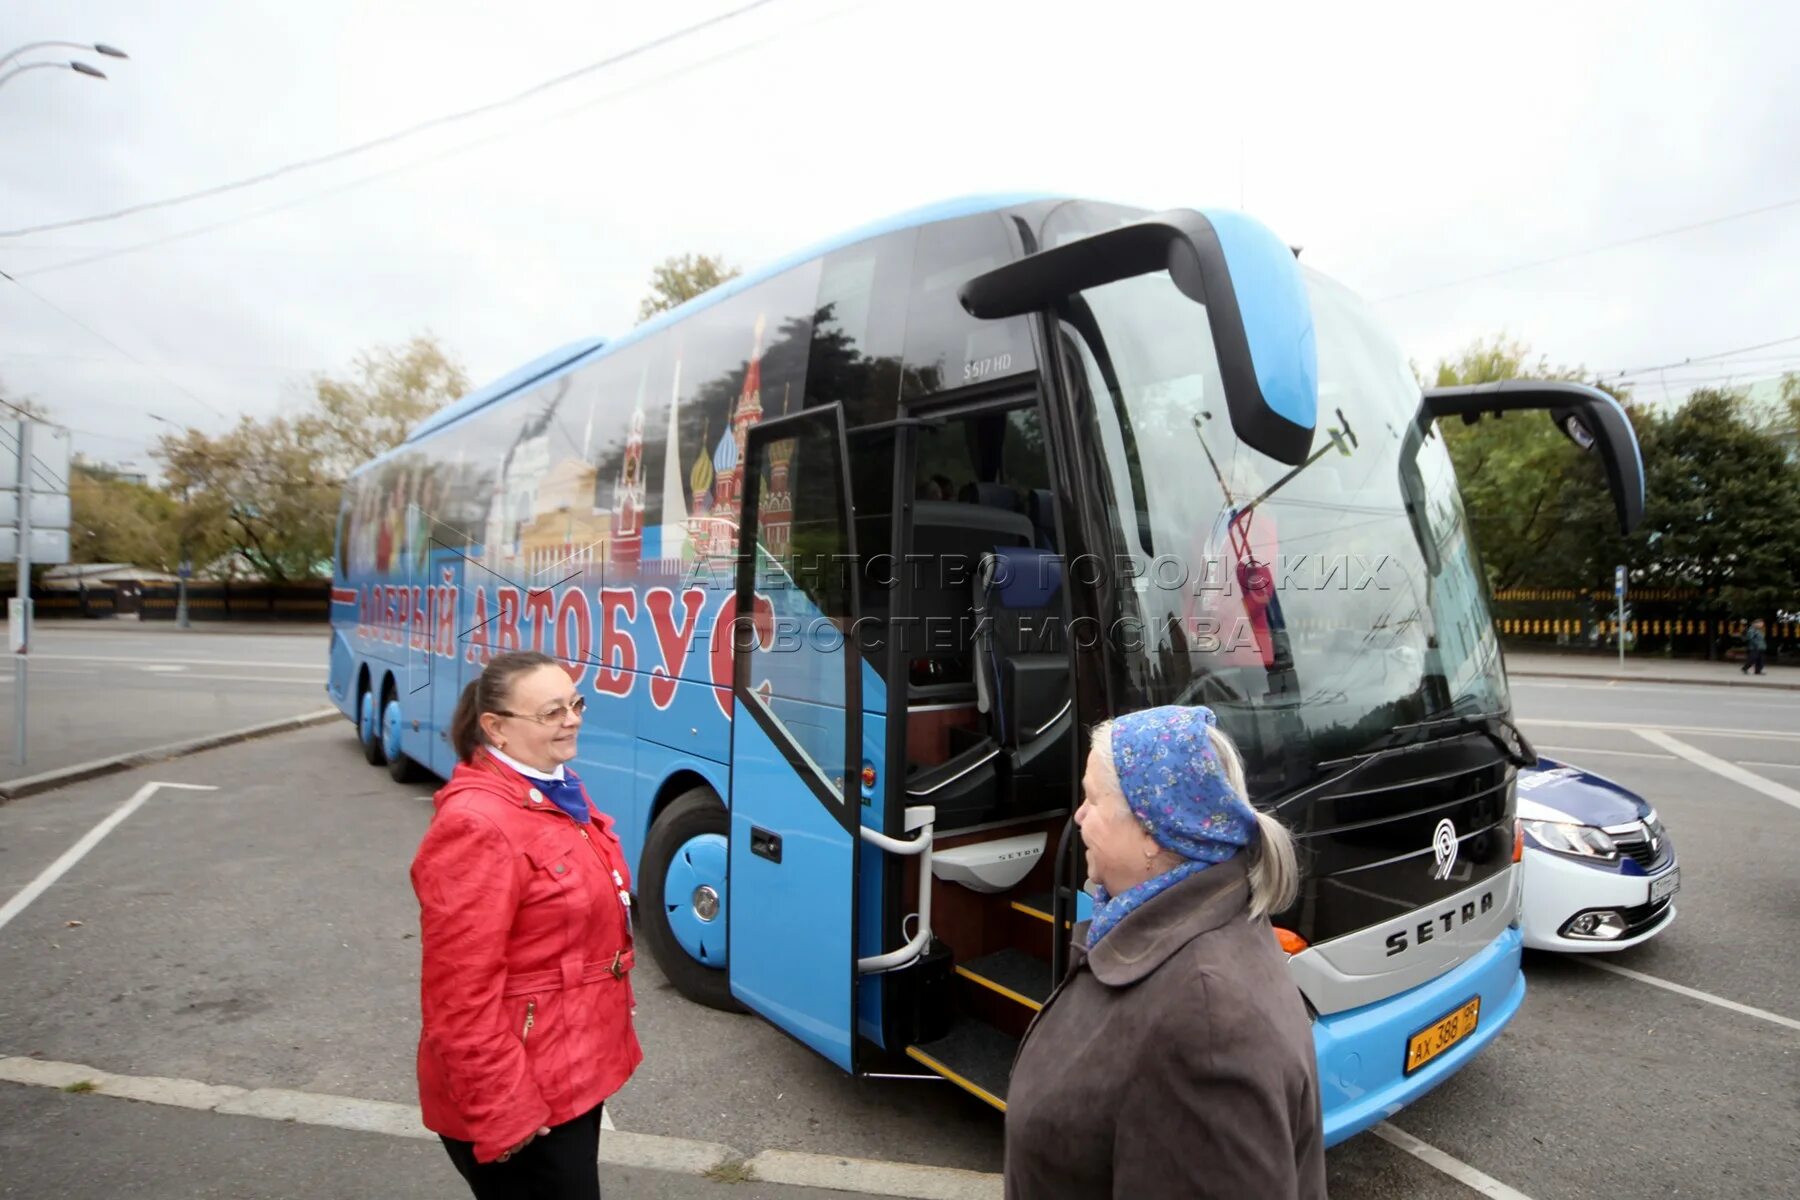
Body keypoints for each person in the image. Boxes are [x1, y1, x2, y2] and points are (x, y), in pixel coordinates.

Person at [1004, 705, 1325, 1199]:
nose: (1079, 815)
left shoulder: (1205, 1024)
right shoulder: (1180, 924)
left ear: (1153, 830)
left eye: (1093, 799)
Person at [412, 650, 642, 1199]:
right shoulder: (477, 824)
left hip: (566, 1069)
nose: (572, 719)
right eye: (551, 712)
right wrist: (502, 1107)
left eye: (575, 703)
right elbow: (458, 994)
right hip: (523, 1092)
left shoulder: (551, 786)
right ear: (496, 727)